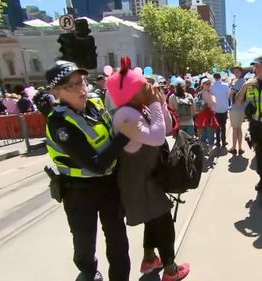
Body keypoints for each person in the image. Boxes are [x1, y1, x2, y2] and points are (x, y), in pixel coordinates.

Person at [44, 60, 135, 281]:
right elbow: (96, 164)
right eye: (71, 86)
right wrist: (125, 135)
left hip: (108, 186)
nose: (80, 89)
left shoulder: (95, 104)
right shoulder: (59, 123)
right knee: (84, 243)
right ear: (56, 92)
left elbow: (109, 136)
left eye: (81, 82)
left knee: (118, 240)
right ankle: (89, 272)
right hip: (79, 192)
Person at [107, 60, 190, 280]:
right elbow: (156, 137)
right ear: (131, 92)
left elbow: (169, 124)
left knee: (153, 221)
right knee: (163, 223)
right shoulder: (126, 115)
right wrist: (154, 102)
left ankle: (149, 259)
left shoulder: (136, 109)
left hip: (146, 179)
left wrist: (160, 104)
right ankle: (171, 270)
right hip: (139, 183)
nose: (149, 88)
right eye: (144, 85)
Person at [235, 56, 262, 206]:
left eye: (259, 66)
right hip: (255, 127)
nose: (256, 69)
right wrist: (246, 86)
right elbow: (238, 102)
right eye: (254, 66)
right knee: (260, 160)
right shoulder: (251, 85)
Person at [195, 77, 218, 149]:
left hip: (202, 114)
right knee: (210, 131)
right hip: (208, 114)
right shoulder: (206, 93)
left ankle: (202, 145)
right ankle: (210, 147)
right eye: (207, 84)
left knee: (204, 130)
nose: (209, 85)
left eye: (210, 84)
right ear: (203, 85)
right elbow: (213, 103)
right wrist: (214, 97)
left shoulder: (200, 93)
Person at [228, 65, 247, 155]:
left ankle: (234, 147)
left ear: (241, 72)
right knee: (239, 128)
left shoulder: (239, 81)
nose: (235, 74)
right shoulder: (244, 81)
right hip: (242, 108)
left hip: (235, 108)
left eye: (237, 72)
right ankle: (240, 147)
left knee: (235, 129)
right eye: (234, 72)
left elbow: (231, 93)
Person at [212, 73, 230, 147]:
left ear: (214, 78)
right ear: (220, 77)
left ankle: (218, 141)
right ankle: (223, 140)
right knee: (223, 126)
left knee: (217, 126)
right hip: (224, 108)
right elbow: (228, 96)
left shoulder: (212, 86)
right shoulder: (226, 85)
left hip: (216, 108)